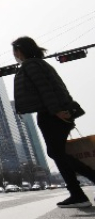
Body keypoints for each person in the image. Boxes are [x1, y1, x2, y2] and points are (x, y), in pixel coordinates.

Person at [12, 36, 95, 208]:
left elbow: (46, 89)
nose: (14, 54)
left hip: (52, 114)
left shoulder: (32, 65)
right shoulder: (40, 64)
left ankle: (80, 191)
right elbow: (57, 88)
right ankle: (77, 193)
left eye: (15, 50)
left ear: (20, 50)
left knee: (57, 153)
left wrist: (57, 110)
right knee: (57, 153)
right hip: (55, 112)